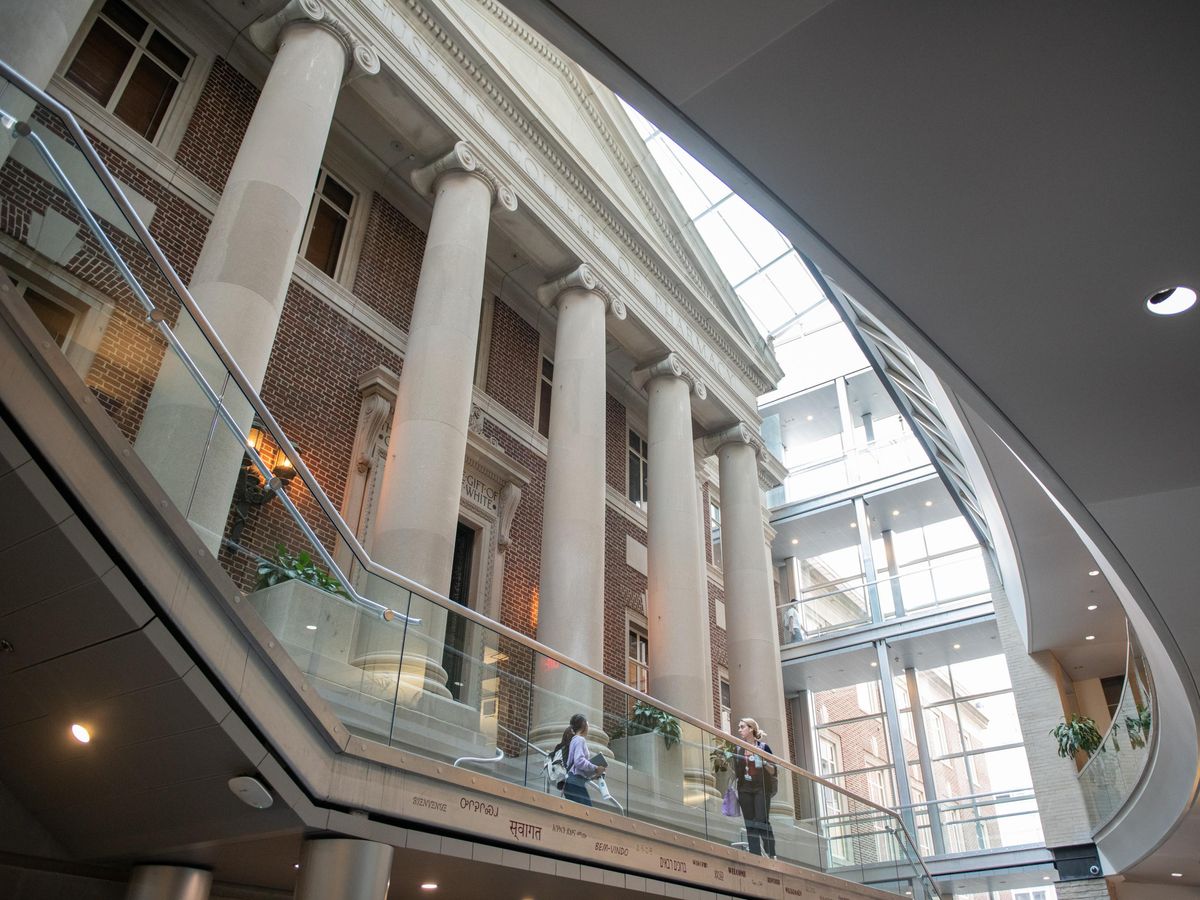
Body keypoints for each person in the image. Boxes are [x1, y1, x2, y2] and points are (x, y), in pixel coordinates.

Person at [732, 717, 777, 858]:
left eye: (742, 727)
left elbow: (774, 770)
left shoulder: (763, 747)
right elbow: (736, 769)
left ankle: (771, 853)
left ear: (751, 728)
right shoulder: (738, 748)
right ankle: (755, 854)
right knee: (750, 823)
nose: (739, 730)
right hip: (744, 788)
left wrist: (763, 762)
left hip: (761, 788)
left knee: (761, 820)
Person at [554, 713, 606, 806]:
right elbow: (579, 761)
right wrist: (595, 768)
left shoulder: (574, 740)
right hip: (574, 783)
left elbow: (576, 768)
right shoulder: (580, 740)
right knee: (587, 812)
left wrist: (594, 775)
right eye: (587, 724)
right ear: (584, 725)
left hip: (572, 782)